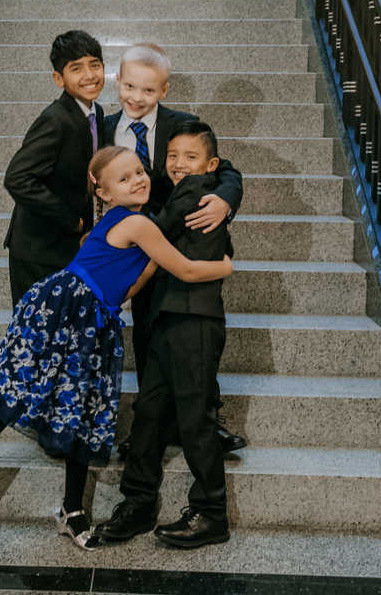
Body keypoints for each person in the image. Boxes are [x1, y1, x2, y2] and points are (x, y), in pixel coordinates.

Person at [0, 146, 233, 560]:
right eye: (124, 179)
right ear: (102, 193)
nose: (138, 180)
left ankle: (71, 509)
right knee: (6, 403)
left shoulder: (130, 224)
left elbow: (131, 285)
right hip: (61, 314)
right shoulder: (138, 223)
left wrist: (140, 277)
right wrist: (226, 266)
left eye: (140, 172)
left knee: (80, 411)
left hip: (95, 319)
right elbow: (189, 270)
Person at [96, 122, 234, 550]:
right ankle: (137, 500)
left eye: (189, 157)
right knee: (150, 412)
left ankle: (211, 512)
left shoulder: (198, 192)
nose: (178, 164)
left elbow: (153, 233)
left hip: (193, 319)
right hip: (164, 317)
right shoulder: (176, 187)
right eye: (172, 156)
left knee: (195, 419)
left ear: (209, 165)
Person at [103, 43, 245, 455]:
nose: (136, 98)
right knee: (146, 335)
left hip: (181, 242)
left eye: (147, 91)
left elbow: (227, 169)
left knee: (190, 334)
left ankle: (204, 416)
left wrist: (225, 200)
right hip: (130, 244)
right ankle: (150, 427)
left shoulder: (183, 124)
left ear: (163, 91)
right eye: (129, 87)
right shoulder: (102, 123)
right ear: (118, 83)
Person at [3, 30, 104, 307]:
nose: (89, 75)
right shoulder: (55, 120)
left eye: (95, 65)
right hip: (39, 251)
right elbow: (18, 178)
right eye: (76, 68)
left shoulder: (97, 113)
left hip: (67, 247)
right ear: (59, 79)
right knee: (38, 338)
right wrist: (72, 220)